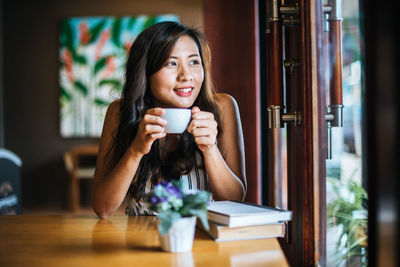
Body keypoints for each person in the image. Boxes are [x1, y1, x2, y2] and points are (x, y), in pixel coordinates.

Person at [92, 21, 246, 219]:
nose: (186, 76)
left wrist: (210, 149)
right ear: (146, 72)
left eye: (194, 62)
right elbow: (102, 207)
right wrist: (136, 150)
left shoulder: (222, 107)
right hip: (142, 241)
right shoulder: (120, 112)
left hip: (203, 238)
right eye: (171, 63)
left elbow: (235, 200)